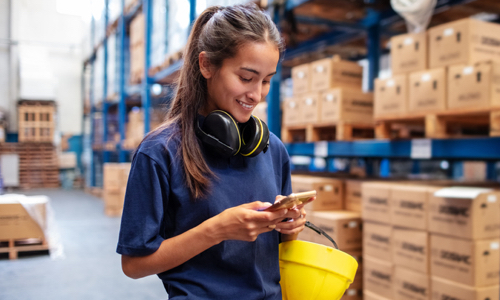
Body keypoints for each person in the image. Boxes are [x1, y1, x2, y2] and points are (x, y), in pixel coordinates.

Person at [116, 4, 310, 299]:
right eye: (246, 78)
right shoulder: (160, 152)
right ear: (206, 65)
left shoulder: (272, 150)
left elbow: (280, 248)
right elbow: (134, 264)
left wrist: (289, 226)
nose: (256, 94)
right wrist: (216, 230)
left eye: (267, 80)